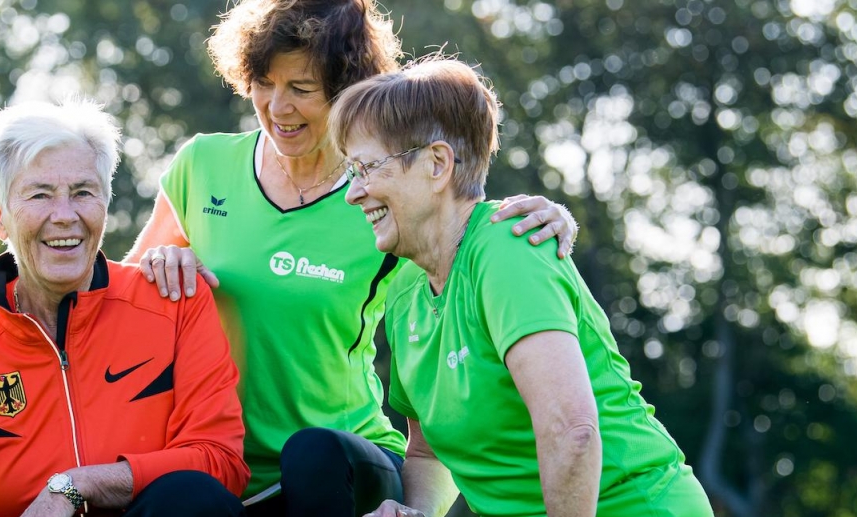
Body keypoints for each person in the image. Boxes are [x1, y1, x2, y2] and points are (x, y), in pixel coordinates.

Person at [126, 0, 579, 514]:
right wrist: (158, 262)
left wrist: (555, 216)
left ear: (345, 93)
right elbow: (123, 305)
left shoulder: (384, 191)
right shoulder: (202, 165)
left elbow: (466, 230)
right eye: (264, 83)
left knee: (313, 454)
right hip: (219, 457)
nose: (278, 107)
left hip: (340, 463)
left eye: (301, 89)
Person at [336, 57, 715, 517]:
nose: (353, 192)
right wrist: (414, 512)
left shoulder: (509, 250)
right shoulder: (403, 291)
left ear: (437, 164)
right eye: (352, 172)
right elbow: (426, 452)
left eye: (367, 168)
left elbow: (572, 431)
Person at [0, 100, 249, 517]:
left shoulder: (175, 302)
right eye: (40, 195)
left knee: (192, 495)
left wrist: (75, 485)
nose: (65, 216)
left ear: (106, 202)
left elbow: (220, 463)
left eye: (83, 192)